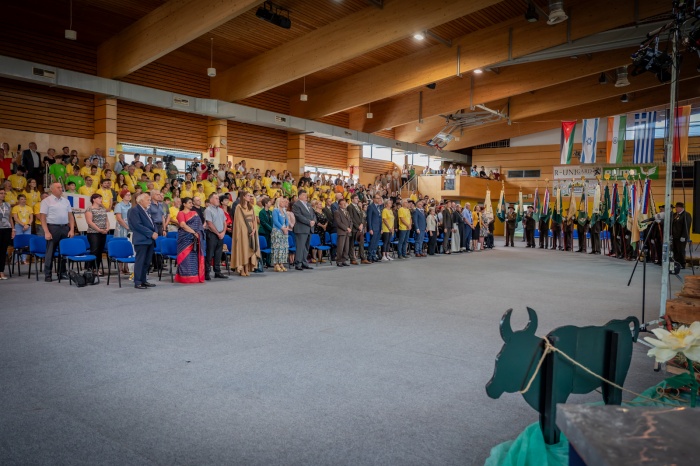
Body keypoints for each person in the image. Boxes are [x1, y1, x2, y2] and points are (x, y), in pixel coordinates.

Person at [40, 182, 75, 282]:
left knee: (63, 251)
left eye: (61, 187)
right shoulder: (47, 201)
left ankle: (62, 273)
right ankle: (48, 274)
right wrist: (46, 231)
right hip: (52, 228)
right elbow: (43, 218)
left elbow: (70, 216)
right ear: (52, 189)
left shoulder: (66, 201)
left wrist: (72, 229)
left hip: (64, 228)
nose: (61, 189)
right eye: (58, 187)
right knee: (50, 252)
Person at [127, 193, 158, 289]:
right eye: (148, 200)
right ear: (141, 201)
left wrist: (155, 231)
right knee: (140, 261)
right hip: (141, 239)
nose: (150, 202)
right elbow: (137, 225)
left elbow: (153, 223)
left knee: (147, 262)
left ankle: (144, 280)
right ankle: (138, 281)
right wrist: (151, 233)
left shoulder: (146, 210)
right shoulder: (134, 210)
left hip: (149, 240)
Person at [231, 190, 260, 276]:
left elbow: (254, 219)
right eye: (248, 195)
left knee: (249, 249)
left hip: (252, 230)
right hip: (243, 232)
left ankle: (247, 268)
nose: (249, 197)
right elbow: (239, 221)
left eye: (250, 196)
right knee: (243, 249)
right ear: (243, 196)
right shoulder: (238, 207)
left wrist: (254, 229)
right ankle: (242, 269)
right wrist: (248, 230)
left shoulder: (251, 207)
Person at [204, 193, 227, 280]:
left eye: (218, 198)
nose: (218, 200)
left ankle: (217, 272)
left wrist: (223, 232)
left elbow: (225, 222)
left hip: (221, 233)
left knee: (218, 253)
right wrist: (218, 233)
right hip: (212, 234)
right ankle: (207, 272)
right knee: (210, 254)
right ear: (211, 200)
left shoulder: (221, 210)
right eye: (216, 198)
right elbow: (209, 224)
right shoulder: (208, 210)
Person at [85, 193, 109, 274]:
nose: (101, 200)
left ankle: (96, 268)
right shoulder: (89, 209)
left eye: (101, 198)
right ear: (93, 199)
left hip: (103, 232)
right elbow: (89, 222)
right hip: (93, 233)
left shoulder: (102, 209)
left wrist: (107, 228)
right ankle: (89, 269)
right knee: (94, 250)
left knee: (100, 251)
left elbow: (106, 220)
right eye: (99, 198)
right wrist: (99, 229)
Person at [291, 189, 315, 271]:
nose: (306, 196)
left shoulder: (308, 204)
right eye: (304, 195)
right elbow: (298, 216)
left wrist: (313, 221)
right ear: (300, 196)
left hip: (309, 228)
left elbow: (313, 214)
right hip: (301, 228)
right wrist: (309, 222)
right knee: (300, 247)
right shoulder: (296, 205)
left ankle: (305, 262)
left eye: (306, 195)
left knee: (306, 247)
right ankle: (298, 263)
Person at [348, 194, 368, 264]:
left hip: (360, 228)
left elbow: (362, 216)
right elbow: (351, 218)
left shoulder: (359, 207)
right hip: (354, 228)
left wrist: (362, 224)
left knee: (361, 243)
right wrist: (357, 226)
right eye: (356, 198)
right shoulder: (350, 207)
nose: (357, 199)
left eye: (357, 198)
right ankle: (352, 259)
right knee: (352, 244)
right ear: (352, 199)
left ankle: (363, 258)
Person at [0, 186, 15, 280]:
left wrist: (13, 229)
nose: (3, 195)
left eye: (4, 193)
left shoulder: (7, 205)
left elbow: (10, 218)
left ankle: (1, 271)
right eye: (1, 193)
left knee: (2, 251)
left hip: (6, 229)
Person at [271, 197, 290, 272]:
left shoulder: (284, 211)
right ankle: (276, 264)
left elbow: (287, 221)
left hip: (284, 231)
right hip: (277, 231)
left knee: (283, 248)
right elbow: (275, 221)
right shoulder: (275, 210)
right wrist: (283, 228)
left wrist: (287, 228)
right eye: (282, 201)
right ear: (278, 202)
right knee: (277, 248)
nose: (284, 202)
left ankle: (281, 262)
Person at [672, 201, 692, 269]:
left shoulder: (686, 215)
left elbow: (686, 226)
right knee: (675, 250)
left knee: (681, 250)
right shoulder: (675, 215)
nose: (675, 209)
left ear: (680, 208)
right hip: (674, 236)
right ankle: (676, 263)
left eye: (676, 208)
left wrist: (684, 236)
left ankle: (682, 263)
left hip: (681, 236)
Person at [333, 197, 352, 267]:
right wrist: (346, 228)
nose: (344, 205)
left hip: (348, 231)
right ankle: (339, 261)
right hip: (342, 231)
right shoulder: (337, 212)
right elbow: (339, 222)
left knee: (346, 248)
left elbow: (350, 221)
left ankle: (344, 260)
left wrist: (350, 228)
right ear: (339, 205)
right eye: (342, 204)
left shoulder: (347, 211)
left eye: (345, 203)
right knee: (340, 247)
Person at [366, 194, 383, 262]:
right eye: (377, 198)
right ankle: (369, 256)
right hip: (373, 227)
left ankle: (374, 255)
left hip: (378, 227)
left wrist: (381, 228)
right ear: (373, 199)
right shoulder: (371, 207)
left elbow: (380, 218)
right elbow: (369, 219)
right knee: (372, 242)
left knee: (376, 243)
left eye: (379, 198)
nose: (379, 199)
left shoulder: (379, 207)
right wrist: (370, 228)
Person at [258, 197, 273, 268]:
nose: (270, 203)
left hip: (269, 232)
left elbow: (271, 222)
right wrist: (271, 229)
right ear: (266, 204)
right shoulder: (261, 212)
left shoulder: (270, 212)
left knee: (269, 246)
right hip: (263, 232)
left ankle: (268, 262)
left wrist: (272, 229)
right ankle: (263, 261)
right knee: (264, 247)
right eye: (269, 202)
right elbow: (263, 223)